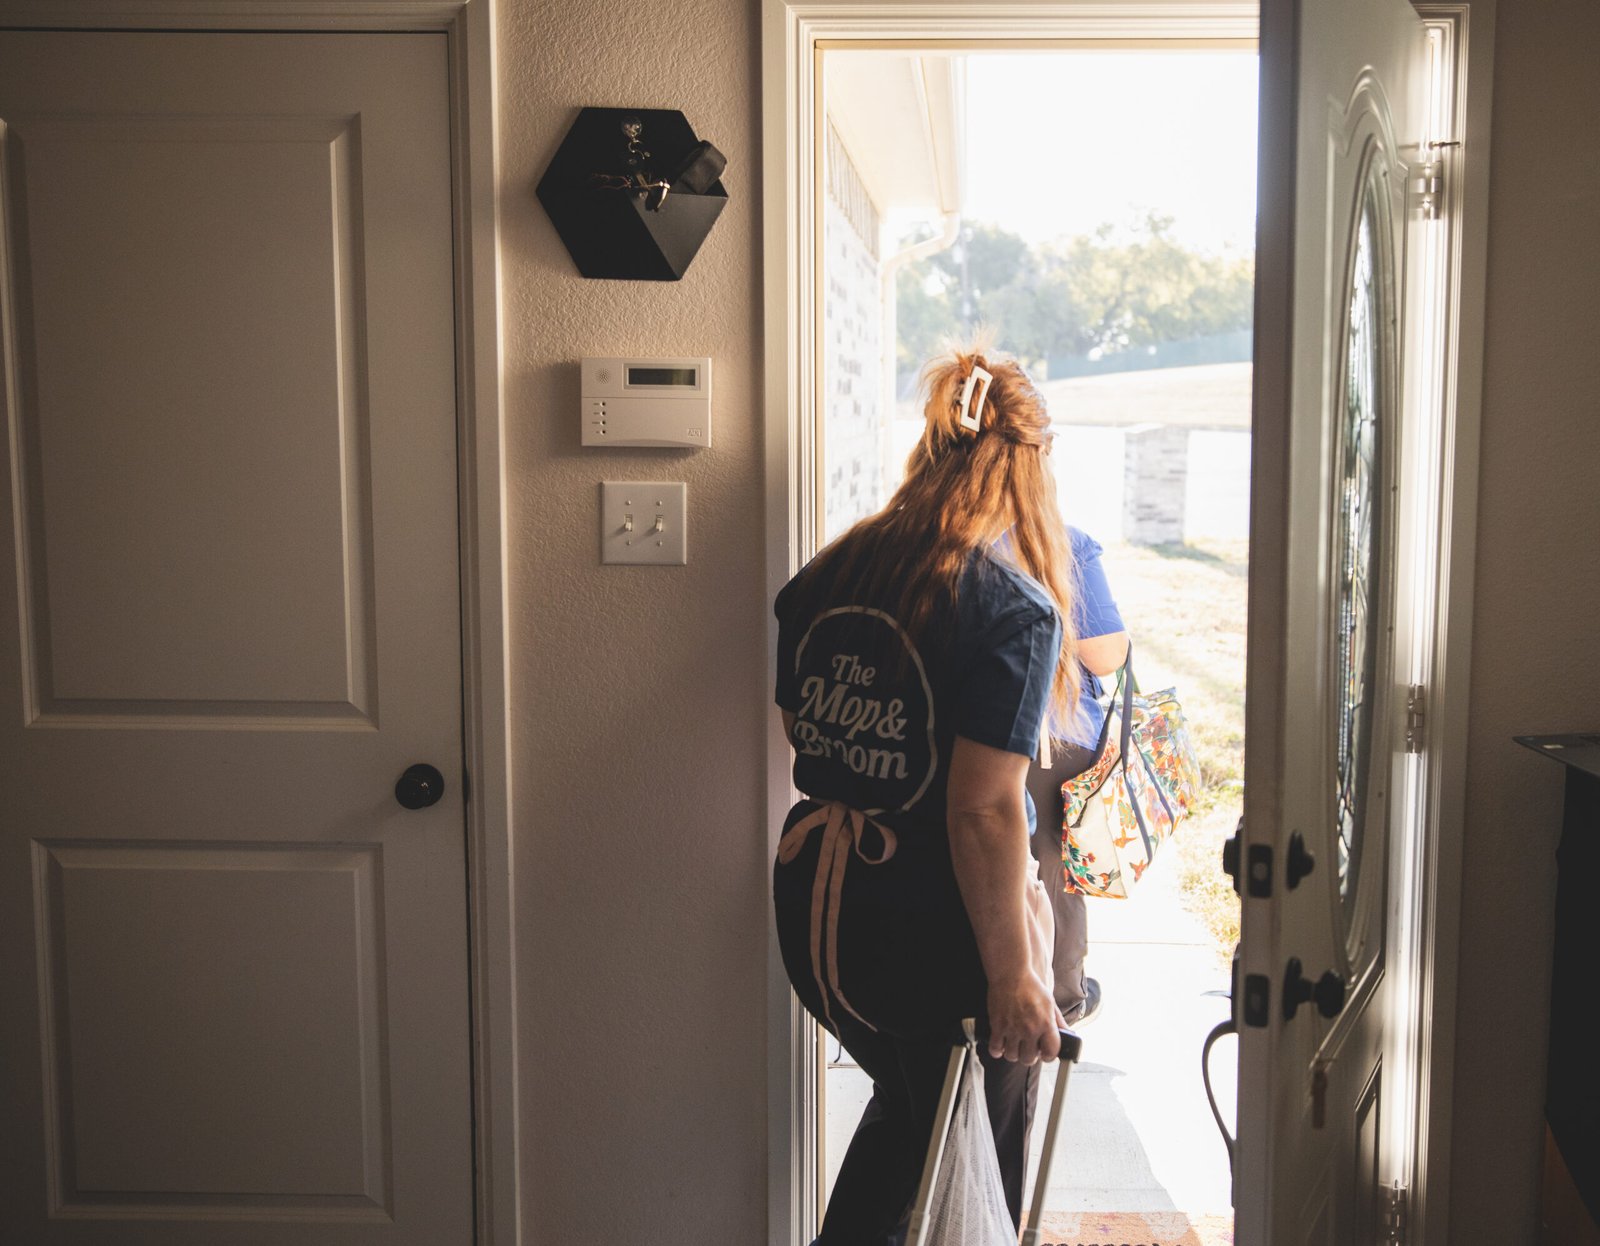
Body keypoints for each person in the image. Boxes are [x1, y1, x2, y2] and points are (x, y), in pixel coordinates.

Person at [772, 345, 1087, 1246]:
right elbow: (981, 810)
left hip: (818, 915)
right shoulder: (1010, 608)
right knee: (974, 1158)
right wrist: (1014, 976)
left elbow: (800, 728)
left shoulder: (831, 573)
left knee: (913, 1119)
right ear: (1028, 466)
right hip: (928, 932)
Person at [1023, 527, 1129, 1027]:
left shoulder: (925, 534)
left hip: (951, 726)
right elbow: (1105, 654)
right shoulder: (1060, 541)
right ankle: (1059, 1000)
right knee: (1051, 865)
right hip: (1049, 732)